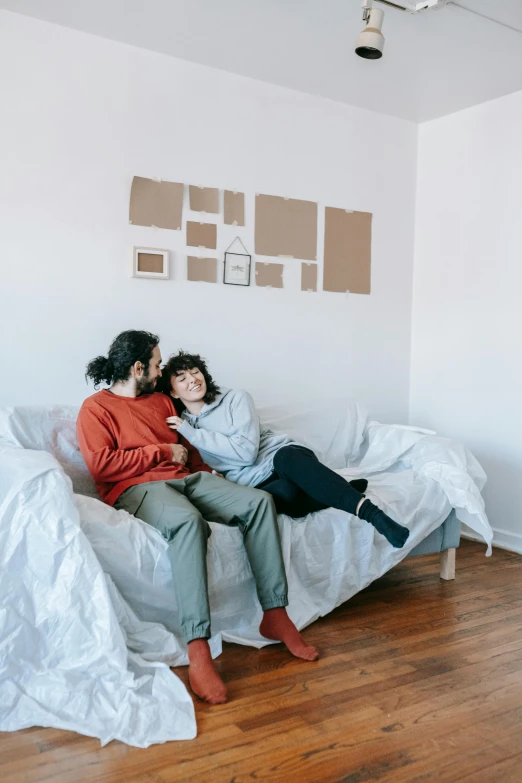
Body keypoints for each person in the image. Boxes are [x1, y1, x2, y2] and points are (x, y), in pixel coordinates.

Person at [77, 330, 318, 706]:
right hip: (137, 489)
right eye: (156, 365)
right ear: (138, 367)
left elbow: (189, 448)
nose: (160, 372)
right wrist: (160, 452)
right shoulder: (96, 408)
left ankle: (275, 614)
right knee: (189, 523)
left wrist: (208, 471)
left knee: (257, 503)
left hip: (189, 478)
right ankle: (198, 647)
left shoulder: (161, 402)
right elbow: (101, 465)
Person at [159, 352, 410, 549]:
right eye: (182, 378)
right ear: (173, 391)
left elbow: (246, 453)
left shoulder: (236, 398)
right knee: (282, 497)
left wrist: (194, 434)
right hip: (255, 483)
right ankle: (341, 488)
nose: (192, 379)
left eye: (195, 372)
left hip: (281, 458)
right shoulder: (183, 426)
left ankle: (374, 515)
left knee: (289, 459)